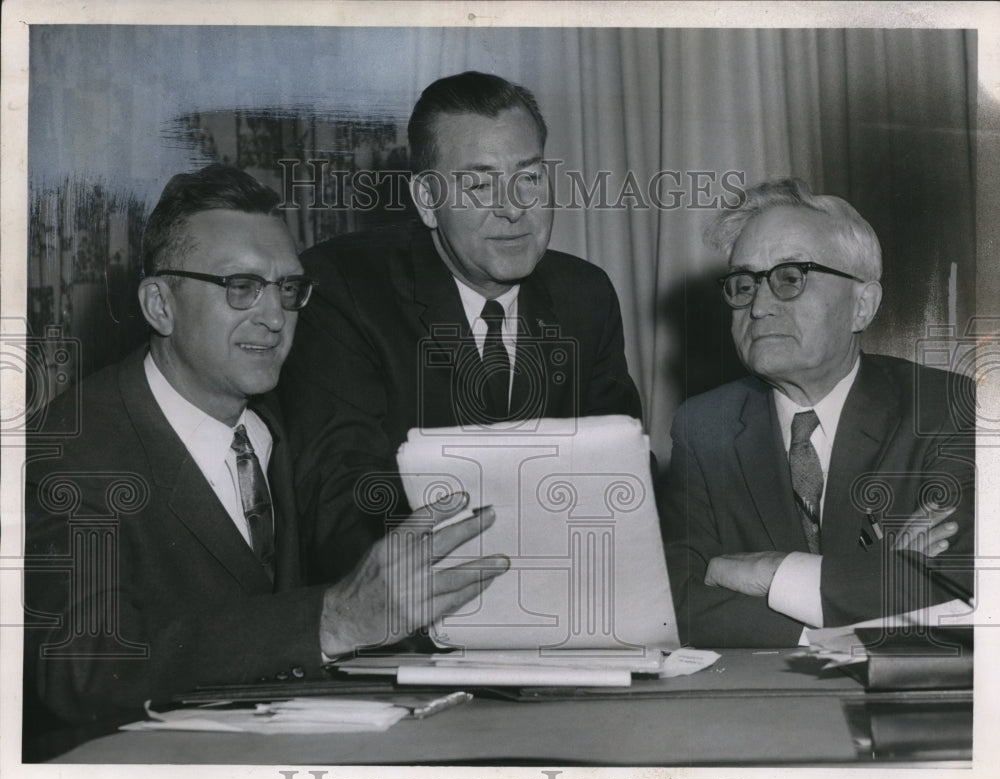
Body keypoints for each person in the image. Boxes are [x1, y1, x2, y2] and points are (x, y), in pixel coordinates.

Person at [22, 165, 508, 742]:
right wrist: (332, 618)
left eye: (288, 289)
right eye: (241, 287)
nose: (275, 317)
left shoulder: (278, 426)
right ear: (159, 305)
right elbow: (80, 670)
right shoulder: (73, 447)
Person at [279, 71, 643, 583]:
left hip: (562, 598)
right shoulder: (345, 290)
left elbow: (616, 487)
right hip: (410, 617)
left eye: (530, 177)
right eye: (478, 183)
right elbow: (343, 510)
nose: (514, 208)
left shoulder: (586, 295)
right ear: (427, 201)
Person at [658, 177, 975, 647]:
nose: (759, 306)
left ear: (861, 307)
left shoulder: (946, 410)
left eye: (790, 278)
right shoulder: (703, 427)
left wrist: (774, 574)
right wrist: (858, 597)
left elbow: (959, 584)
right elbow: (670, 601)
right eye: (743, 285)